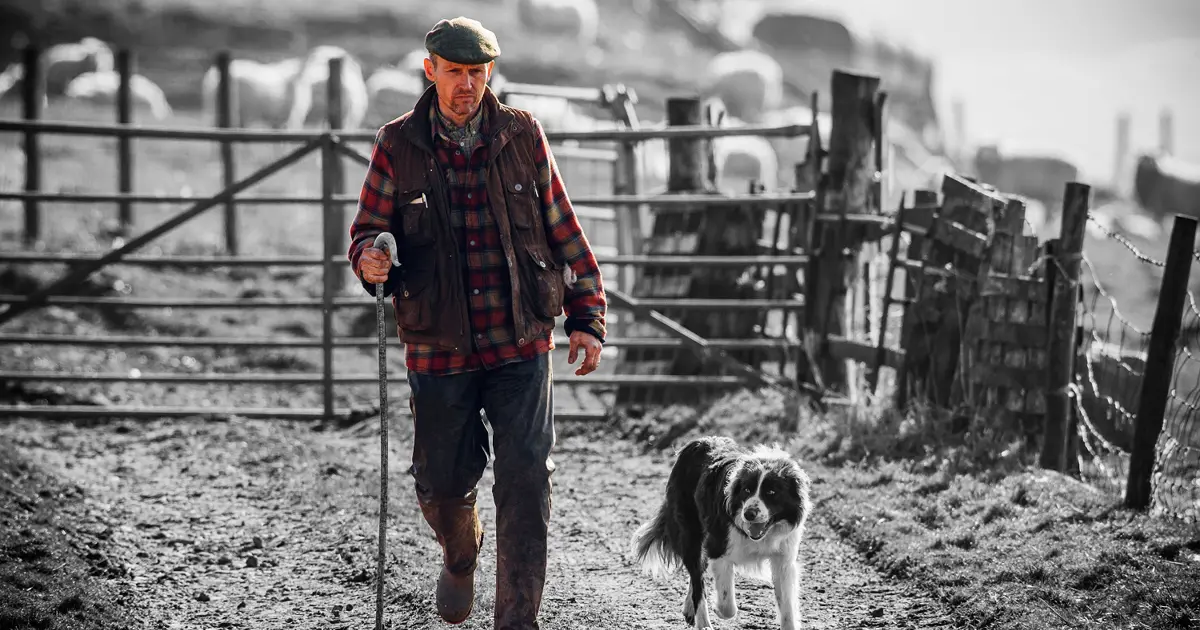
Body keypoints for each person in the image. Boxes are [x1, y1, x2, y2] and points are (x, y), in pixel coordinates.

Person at [346, 16, 607, 630]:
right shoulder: (396, 144)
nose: (466, 85)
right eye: (454, 72)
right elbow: (366, 233)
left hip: (520, 338)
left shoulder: (523, 134)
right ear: (430, 70)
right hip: (438, 346)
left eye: (477, 72)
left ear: (490, 72)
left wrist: (587, 315)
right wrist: (370, 258)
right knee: (441, 484)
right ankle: (460, 553)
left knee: (526, 480)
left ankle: (516, 621)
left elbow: (564, 230)